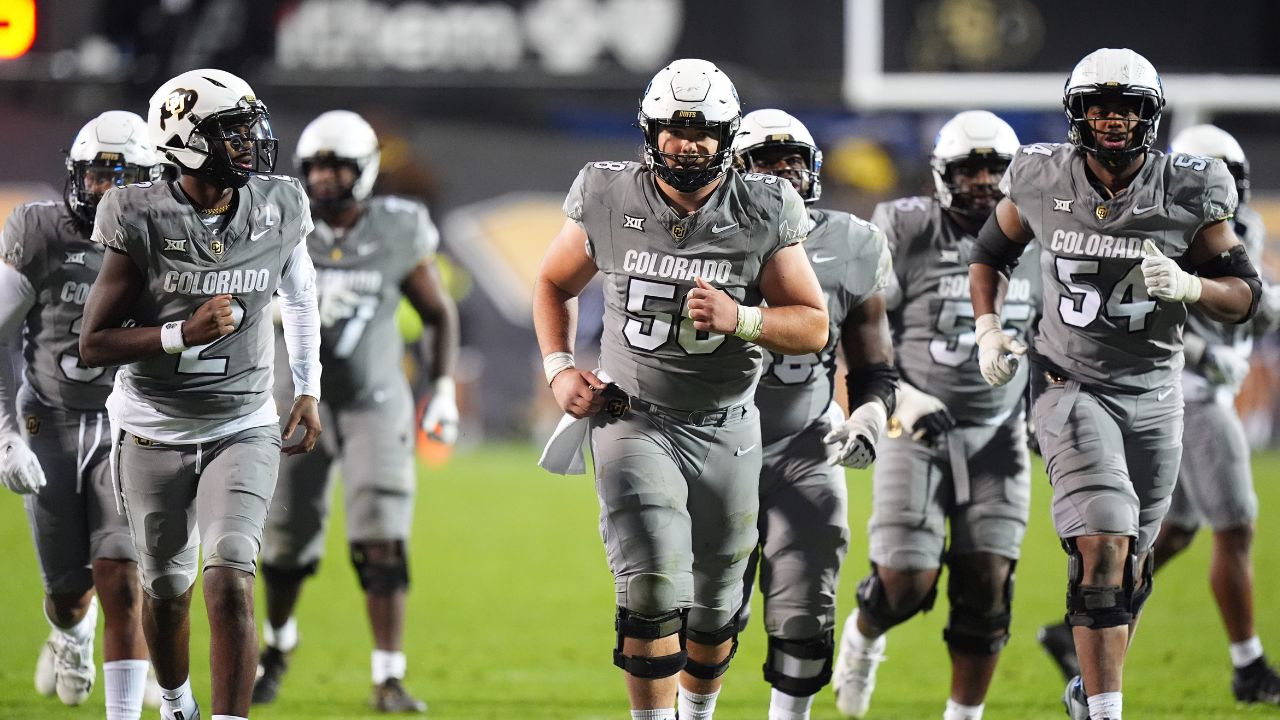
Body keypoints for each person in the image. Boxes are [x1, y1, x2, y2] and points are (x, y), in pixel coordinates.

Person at [967, 49, 1262, 720]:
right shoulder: (1041, 175)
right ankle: (1107, 712)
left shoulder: (1190, 186)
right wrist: (989, 327)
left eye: (1126, 108)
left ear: (1149, 116)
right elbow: (990, 251)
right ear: (1078, 113)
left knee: (1129, 568)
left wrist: (1192, 285)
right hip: (1067, 381)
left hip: (1156, 391)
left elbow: (1246, 292)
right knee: (1102, 540)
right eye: (1100, 107)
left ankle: (1085, 692)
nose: (1112, 120)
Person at [532, 58, 829, 720]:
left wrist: (742, 318)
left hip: (726, 423)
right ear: (650, 131)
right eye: (674, 127)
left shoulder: (764, 206)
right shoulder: (608, 193)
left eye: (703, 130)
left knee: (717, 602)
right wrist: (559, 367)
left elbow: (812, 325)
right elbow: (553, 282)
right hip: (633, 417)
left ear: (728, 137)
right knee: (651, 579)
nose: (687, 142)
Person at [78, 68, 323, 720]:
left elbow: (299, 294)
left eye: (249, 127)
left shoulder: (279, 203)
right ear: (184, 140)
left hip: (242, 422)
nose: (248, 142)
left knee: (232, 579)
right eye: (229, 131)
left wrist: (307, 386)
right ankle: (176, 700)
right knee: (165, 591)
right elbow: (94, 341)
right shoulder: (138, 213)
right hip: (153, 425)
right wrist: (180, 333)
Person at [1037, 123, 1280, 706]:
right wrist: (1203, 350)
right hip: (1181, 396)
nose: (1224, 192)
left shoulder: (1233, 228)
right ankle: (1247, 663)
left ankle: (1084, 655)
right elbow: (1135, 312)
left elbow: (1260, 310)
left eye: (1232, 180)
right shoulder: (1159, 222)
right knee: (1233, 523)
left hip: (1193, 393)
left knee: (1158, 541)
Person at [828, 110, 1037, 720]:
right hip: (913, 426)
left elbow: (1060, 334)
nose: (982, 180)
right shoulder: (907, 227)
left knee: (988, 582)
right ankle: (864, 638)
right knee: (904, 582)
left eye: (995, 167)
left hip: (998, 432)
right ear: (943, 175)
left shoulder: (1042, 236)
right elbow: (857, 322)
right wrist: (903, 396)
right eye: (969, 168)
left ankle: (962, 716)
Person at [251, 110, 459, 712]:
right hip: (294, 404)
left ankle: (388, 675)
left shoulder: (398, 227)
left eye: (338, 165)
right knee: (285, 545)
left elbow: (440, 312)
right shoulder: (280, 227)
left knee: (382, 538)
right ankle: (278, 644)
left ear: (366, 169)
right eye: (316, 166)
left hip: (374, 402)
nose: (325, 178)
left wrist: (441, 389)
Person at [729, 108, 896, 720]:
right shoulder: (702, 236)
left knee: (806, 607)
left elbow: (873, 360)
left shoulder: (852, 244)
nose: (783, 175)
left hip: (804, 440)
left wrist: (871, 415)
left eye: (793, 162)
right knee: (707, 612)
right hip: (713, 443)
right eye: (766, 165)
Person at [0, 111, 162, 720]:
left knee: (122, 574)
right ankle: (70, 632)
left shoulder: (163, 236)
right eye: (99, 173)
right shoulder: (41, 232)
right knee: (69, 592)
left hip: (128, 424)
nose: (107, 189)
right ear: (76, 173)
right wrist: (6, 433)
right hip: (51, 419)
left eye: (125, 177)